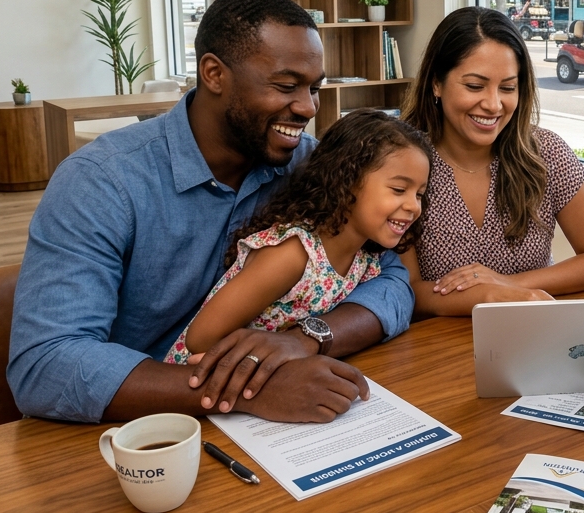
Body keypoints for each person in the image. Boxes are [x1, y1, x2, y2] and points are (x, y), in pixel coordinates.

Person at [8, 0, 414, 424]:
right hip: (136, 434)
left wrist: (307, 338)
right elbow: (46, 366)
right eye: (285, 85)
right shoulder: (101, 181)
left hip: (276, 419)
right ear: (214, 74)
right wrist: (248, 390)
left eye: (314, 88)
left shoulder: (312, 167)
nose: (307, 107)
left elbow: (393, 280)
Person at [399, 6, 584, 315]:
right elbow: (406, 291)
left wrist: (508, 284)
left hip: (530, 338)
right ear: (437, 83)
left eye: (507, 88)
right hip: (438, 349)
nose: (493, 105)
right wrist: (492, 296)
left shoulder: (547, 152)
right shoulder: (400, 162)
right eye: (475, 86)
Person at [165, 110, 429, 370]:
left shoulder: (366, 255)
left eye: (419, 193)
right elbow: (200, 339)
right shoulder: (292, 253)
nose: (413, 206)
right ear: (347, 180)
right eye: (398, 190)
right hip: (196, 383)